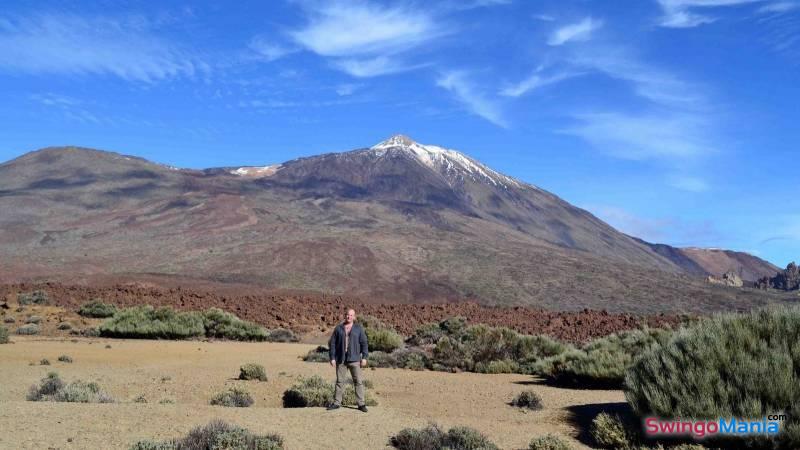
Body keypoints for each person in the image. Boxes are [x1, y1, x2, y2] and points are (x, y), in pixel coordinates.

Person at [326, 308, 369, 412]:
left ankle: (361, 404)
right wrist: (332, 358)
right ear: (345, 316)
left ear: (354, 317)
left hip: (354, 359)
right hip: (341, 359)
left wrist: (364, 357)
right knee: (340, 382)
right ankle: (337, 403)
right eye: (347, 315)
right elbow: (332, 344)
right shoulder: (338, 328)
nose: (349, 317)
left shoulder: (358, 329)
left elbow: (364, 343)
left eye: (351, 315)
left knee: (358, 382)